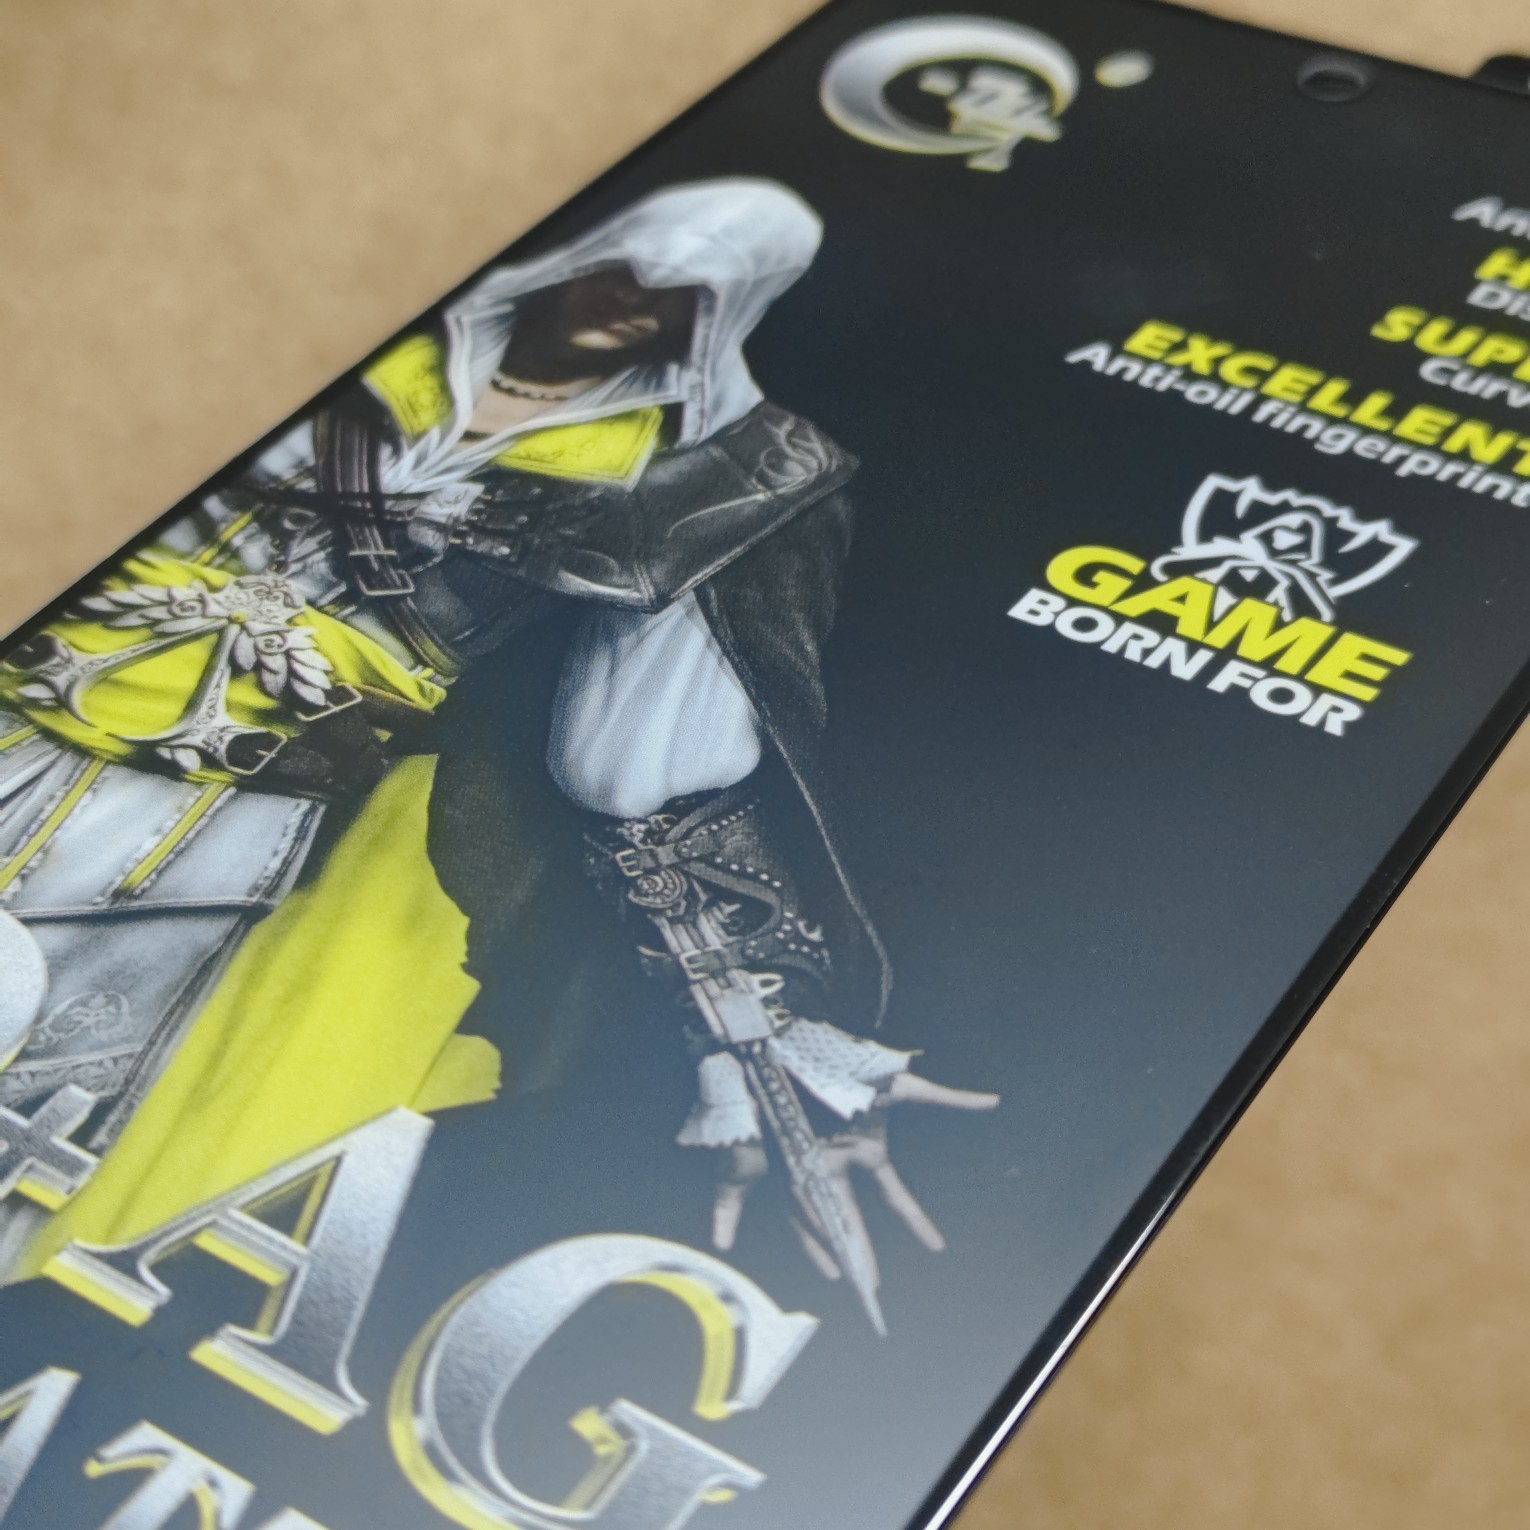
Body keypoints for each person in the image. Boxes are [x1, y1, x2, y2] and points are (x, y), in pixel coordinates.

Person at [0, 180, 994, 1316]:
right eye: (626, 267)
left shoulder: (707, 468)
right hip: (27, 691)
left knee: (38, 1145)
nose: (632, 301)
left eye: (680, 293)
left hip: (203, 830)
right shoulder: (384, 322)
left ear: (730, 310)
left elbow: (637, 764)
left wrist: (747, 1018)